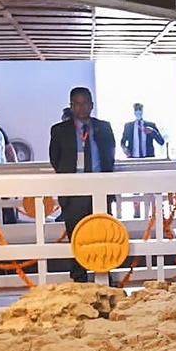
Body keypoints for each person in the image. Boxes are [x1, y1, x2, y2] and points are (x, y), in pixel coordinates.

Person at [49, 86, 117, 282]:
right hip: (74, 190)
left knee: (103, 234)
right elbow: (56, 159)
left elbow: (109, 156)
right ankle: (79, 279)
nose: (82, 108)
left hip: (100, 188)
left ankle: (105, 275)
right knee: (77, 236)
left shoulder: (103, 127)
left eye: (85, 103)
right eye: (77, 104)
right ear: (71, 106)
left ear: (92, 105)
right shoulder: (59, 130)